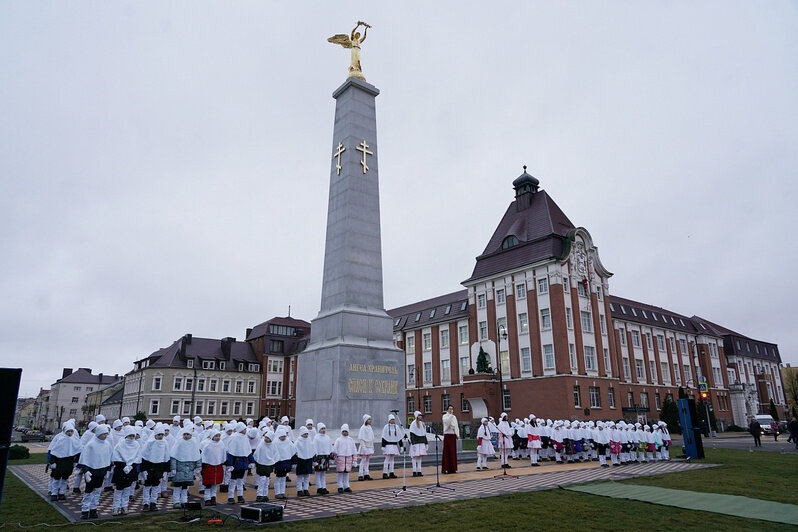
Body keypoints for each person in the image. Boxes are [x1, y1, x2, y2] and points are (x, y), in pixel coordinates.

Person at [77, 424, 113, 519]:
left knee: (97, 491)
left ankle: (93, 509)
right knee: (89, 491)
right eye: (103, 434)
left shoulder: (107, 445)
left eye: (106, 434)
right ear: (98, 434)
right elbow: (85, 458)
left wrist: (108, 470)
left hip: (101, 471)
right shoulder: (91, 445)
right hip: (92, 471)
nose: (105, 436)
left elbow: (109, 458)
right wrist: (86, 471)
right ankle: (85, 510)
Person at [46, 422, 81, 501]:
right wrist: (53, 462)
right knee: (56, 478)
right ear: (65, 431)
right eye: (68, 431)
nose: (70, 433)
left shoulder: (74, 440)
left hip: (68, 462)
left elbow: (78, 451)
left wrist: (76, 461)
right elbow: (54, 451)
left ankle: (62, 493)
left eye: (71, 431)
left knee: (65, 479)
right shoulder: (60, 440)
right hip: (59, 462)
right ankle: (54, 493)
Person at [110, 426, 141, 515]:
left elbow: (138, 457)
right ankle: (115, 507)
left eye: (133, 436)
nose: (131, 438)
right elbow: (116, 456)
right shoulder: (121, 444)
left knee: (127, 489)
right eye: (130, 436)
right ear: (126, 435)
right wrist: (123, 466)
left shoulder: (136, 445)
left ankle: (125, 506)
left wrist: (131, 466)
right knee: (119, 489)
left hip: (131, 470)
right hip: (120, 470)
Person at [140, 424, 170, 511]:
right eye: (158, 435)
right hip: (149, 466)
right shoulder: (150, 443)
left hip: (159, 467)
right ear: (155, 435)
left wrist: (165, 470)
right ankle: (146, 503)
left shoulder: (165, 443)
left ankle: (153, 502)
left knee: (156, 486)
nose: (160, 436)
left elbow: (166, 457)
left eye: (162, 435)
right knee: (147, 486)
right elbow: (144, 456)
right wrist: (143, 469)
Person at [170, 426, 202, 509]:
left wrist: (198, 466)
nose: (186, 436)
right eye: (185, 434)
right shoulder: (179, 442)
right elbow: (174, 456)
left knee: (185, 487)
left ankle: (184, 501)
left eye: (188, 434)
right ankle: (176, 501)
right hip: (179, 469)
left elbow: (197, 455)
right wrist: (173, 468)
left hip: (189, 470)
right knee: (177, 487)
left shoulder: (194, 443)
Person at [225, 422, 253, 505]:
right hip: (236, 463)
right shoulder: (233, 437)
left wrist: (252, 461)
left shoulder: (245, 438)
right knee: (233, 481)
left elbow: (248, 450)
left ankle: (240, 496)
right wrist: (229, 464)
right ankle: (230, 497)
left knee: (241, 481)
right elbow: (230, 451)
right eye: (244, 429)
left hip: (243, 462)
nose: (246, 430)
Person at [199, 429, 226, 506]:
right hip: (208, 466)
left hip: (218, 466)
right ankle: (207, 498)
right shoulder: (208, 445)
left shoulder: (221, 444)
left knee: (215, 484)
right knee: (208, 484)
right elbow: (203, 455)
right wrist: (203, 465)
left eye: (219, 436)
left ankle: (213, 497)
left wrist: (223, 461)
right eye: (216, 436)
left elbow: (223, 454)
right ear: (212, 437)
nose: (217, 437)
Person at [252, 430, 277, 502]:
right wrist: (257, 461)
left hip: (269, 465)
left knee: (266, 480)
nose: (266, 439)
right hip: (261, 464)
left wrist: (273, 461)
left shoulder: (273, 446)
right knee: (262, 480)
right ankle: (259, 495)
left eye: (268, 438)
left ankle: (265, 494)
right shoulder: (261, 444)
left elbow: (275, 454)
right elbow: (257, 454)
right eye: (265, 437)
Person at [273, 425, 296, 499]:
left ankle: (282, 492)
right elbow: (273, 452)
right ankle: (277, 492)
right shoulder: (275, 442)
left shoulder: (288, 441)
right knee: (278, 478)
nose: (283, 438)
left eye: (284, 436)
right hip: (279, 463)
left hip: (286, 462)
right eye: (282, 436)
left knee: (283, 478)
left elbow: (293, 450)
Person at [333, 424, 356, 493]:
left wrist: (354, 459)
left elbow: (354, 450)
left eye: (346, 431)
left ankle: (346, 486)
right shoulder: (338, 440)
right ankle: (340, 486)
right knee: (340, 473)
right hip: (341, 458)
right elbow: (335, 450)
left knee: (346, 473)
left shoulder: (351, 440)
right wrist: (334, 458)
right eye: (343, 431)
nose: (344, 433)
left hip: (348, 458)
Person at [295, 426, 315, 497]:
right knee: (300, 476)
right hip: (300, 460)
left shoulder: (309, 440)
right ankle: (299, 490)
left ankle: (306, 489)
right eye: (304, 434)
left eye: (307, 434)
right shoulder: (297, 442)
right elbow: (295, 450)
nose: (306, 435)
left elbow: (312, 449)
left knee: (307, 475)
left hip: (308, 459)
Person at [380, 414, 403, 479]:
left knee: (392, 459)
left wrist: (401, 446)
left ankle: (391, 472)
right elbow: (384, 437)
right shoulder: (386, 427)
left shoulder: (397, 427)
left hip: (394, 445)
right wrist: (383, 446)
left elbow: (399, 437)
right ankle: (385, 473)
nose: (393, 421)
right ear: (389, 420)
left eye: (393, 419)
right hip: (388, 445)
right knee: (387, 459)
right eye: (391, 419)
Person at [313, 423, 333, 494]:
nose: (323, 430)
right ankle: (319, 487)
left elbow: (330, 447)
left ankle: (324, 487)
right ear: (319, 429)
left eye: (324, 428)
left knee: (323, 473)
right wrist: (314, 458)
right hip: (319, 457)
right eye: (322, 429)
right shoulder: (316, 437)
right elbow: (314, 448)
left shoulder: (327, 437)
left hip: (325, 457)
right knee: (318, 472)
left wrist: (331, 457)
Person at [408, 411, 428, 477]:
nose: (420, 416)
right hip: (415, 443)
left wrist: (426, 443)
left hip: (421, 442)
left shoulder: (422, 424)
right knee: (414, 457)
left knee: (419, 458)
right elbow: (412, 434)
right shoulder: (413, 424)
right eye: (419, 415)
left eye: (421, 415)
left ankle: (419, 471)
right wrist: (413, 443)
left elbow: (424, 434)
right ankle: (414, 471)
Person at [356, 414, 375, 481]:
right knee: (363, 460)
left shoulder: (370, 428)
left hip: (369, 446)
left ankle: (366, 473)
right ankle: (360, 474)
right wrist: (363, 447)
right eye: (369, 419)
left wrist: (372, 446)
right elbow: (361, 438)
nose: (370, 420)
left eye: (370, 419)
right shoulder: (363, 428)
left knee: (367, 461)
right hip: (364, 447)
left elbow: (371, 438)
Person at [441, 405, 459, 474]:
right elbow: (447, 423)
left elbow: (456, 426)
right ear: (447, 409)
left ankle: (453, 468)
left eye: (452, 408)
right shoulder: (445, 416)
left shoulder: (454, 417)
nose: (451, 410)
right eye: (449, 409)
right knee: (446, 452)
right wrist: (450, 415)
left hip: (453, 435)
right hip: (447, 434)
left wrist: (457, 434)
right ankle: (445, 468)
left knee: (453, 452)